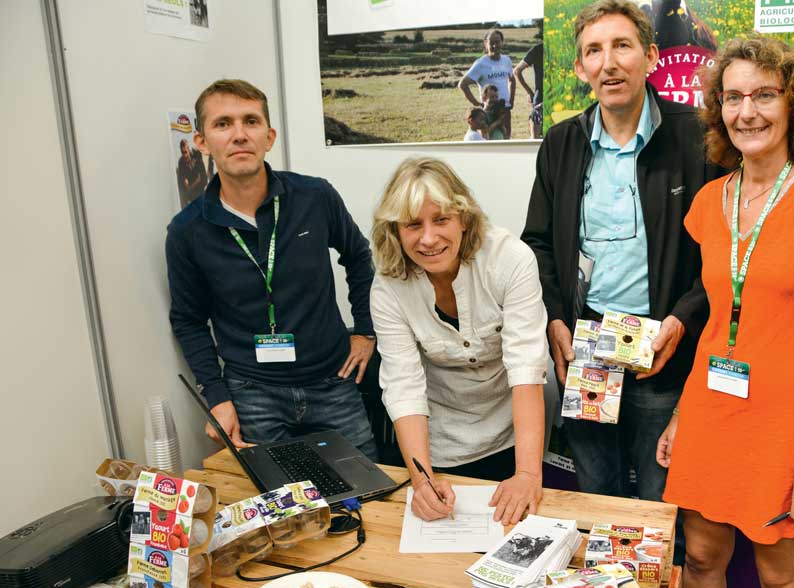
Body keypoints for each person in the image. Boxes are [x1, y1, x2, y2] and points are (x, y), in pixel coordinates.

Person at [658, 36, 794, 588]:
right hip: (713, 409)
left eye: (764, 95)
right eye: (733, 98)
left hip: (787, 427)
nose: (747, 112)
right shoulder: (710, 202)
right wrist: (683, 413)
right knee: (703, 557)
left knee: (779, 578)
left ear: (793, 103)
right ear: (718, 109)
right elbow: (717, 321)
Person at [521, 0, 720, 500]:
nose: (608, 62)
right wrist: (555, 320)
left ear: (651, 56)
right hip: (586, 348)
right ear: (580, 67)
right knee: (595, 493)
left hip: (662, 352)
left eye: (622, 46)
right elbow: (538, 243)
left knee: (660, 502)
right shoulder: (561, 144)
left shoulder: (696, 137)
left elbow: (725, 252)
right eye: (594, 50)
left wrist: (683, 318)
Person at [166, 79, 378, 459]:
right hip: (253, 395)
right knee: (277, 510)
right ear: (202, 142)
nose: (239, 135)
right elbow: (188, 320)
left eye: (251, 121)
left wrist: (366, 331)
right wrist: (217, 397)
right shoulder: (187, 231)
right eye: (222, 124)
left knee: (368, 493)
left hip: (333, 382)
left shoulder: (315, 197)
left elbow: (359, 258)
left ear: (269, 136)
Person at [370, 157, 548, 524]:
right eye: (412, 225)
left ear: (463, 219)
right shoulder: (388, 287)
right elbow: (403, 385)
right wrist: (422, 483)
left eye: (441, 220)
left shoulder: (510, 259)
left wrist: (528, 475)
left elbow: (526, 366)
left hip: (511, 432)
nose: (429, 238)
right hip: (440, 439)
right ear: (394, 230)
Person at [459, 28, 516, 139]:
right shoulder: (481, 64)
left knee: (507, 137)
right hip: (489, 112)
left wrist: (511, 100)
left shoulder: (507, 60)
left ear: (502, 42)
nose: (495, 45)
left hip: (504, 108)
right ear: (486, 44)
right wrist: (477, 104)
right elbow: (463, 84)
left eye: (497, 42)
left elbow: (512, 80)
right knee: (492, 139)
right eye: (491, 43)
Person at [514, 43, 544, 139]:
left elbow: (517, 70)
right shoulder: (538, 49)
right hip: (541, 100)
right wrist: (529, 92)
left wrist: (530, 92)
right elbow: (517, 71)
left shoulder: (538, 48)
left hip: (540, 98)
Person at [176, 139, 207, 208]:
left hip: (201, 190)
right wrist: (195, 182)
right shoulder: (181, 162)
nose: (184, 155)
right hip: (192, 195)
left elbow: (203, 177)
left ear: (188, 149)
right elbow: (185, 186)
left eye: (185, 152)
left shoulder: (196, 155)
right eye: (182, 152)